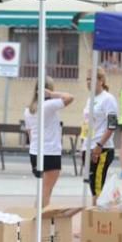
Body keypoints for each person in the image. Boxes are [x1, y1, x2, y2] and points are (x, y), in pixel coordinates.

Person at [24, 77, 74, 207]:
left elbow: (30, 134)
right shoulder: (49, 105)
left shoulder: (29, 110)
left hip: (35, 152)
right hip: (50, 152)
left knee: (43, 190)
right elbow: (70, 97)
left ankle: (41, 219)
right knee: (46, 191)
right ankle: (39, 221)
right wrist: (52, 94)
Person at [81, 68, 119, 199]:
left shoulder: (108, 99)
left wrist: (99, 145)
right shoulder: (90, 99)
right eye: (87, 79)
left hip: (101, 148)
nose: (88, 82)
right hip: (88, 145)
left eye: (92, 79)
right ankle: (95, 213)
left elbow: (112, 124)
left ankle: (96, 216)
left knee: (97, 187)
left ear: (101, 81)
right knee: (92, 186)